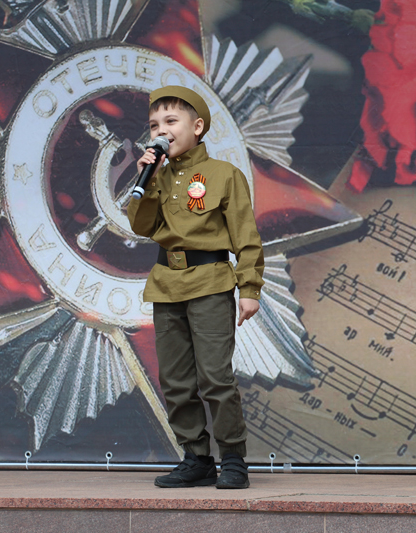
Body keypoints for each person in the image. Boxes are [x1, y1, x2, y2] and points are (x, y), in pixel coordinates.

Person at [128, 86, 264, 489]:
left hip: (210, 282)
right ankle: (196, 458)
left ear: (197, 126)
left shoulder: (224, 175)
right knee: (175, 380)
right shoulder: (156, 176)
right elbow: (141, 226)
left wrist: (250, 288)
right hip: (166, 285)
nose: (161, 130)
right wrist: (149, 177)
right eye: (154, 124)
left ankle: (233, 459)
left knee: (215, 377)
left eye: (171, 121)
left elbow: (246, 237)